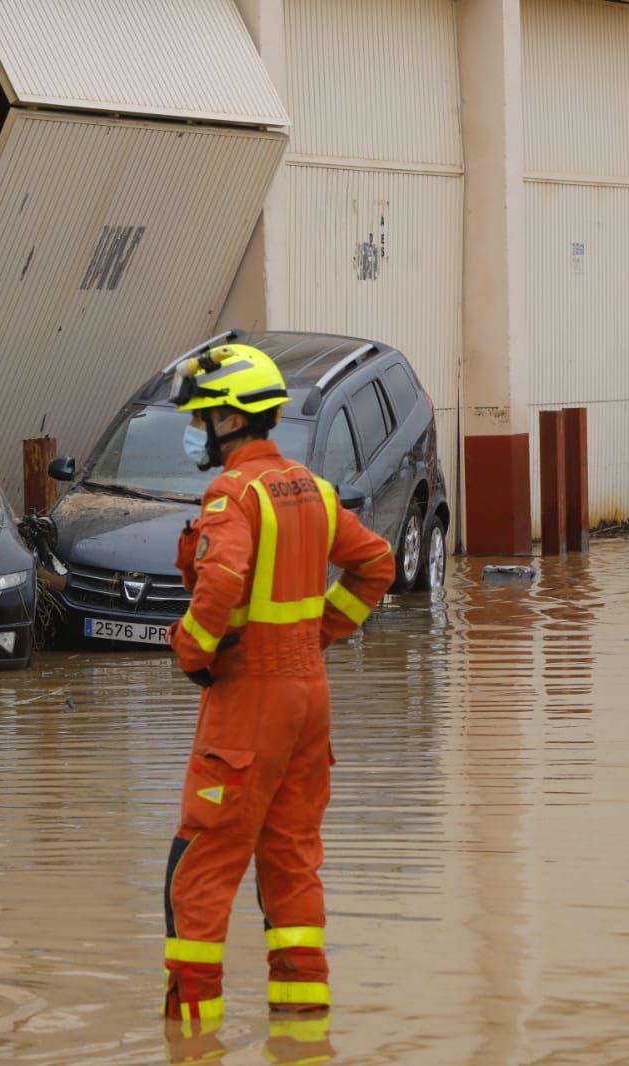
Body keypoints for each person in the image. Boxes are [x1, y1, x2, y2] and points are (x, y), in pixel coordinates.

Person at [160, 344, 395, 1028]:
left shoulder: (233, 494)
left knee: (202, 867)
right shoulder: (312, 490)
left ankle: (192, 1036)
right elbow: (374, 564)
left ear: (232, 419)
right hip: (307, 700)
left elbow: (222, 580)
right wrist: (319, 633)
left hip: (248, 702)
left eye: (201, 417)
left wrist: (190, 651)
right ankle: (301, 1029)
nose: (196, 431)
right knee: (291, 862)